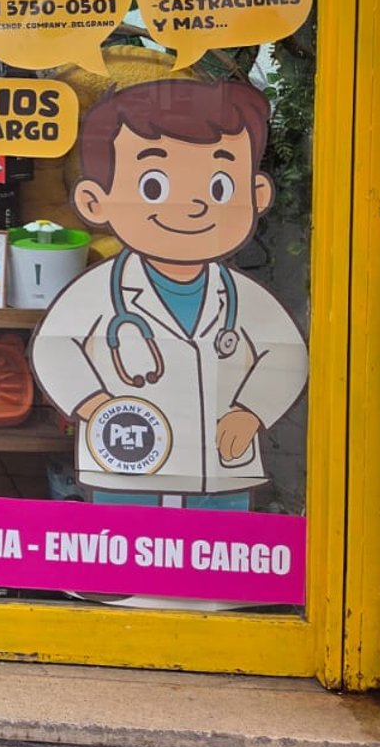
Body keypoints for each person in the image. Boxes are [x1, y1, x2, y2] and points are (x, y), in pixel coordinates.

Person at [29, 78, 308, 507]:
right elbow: (54, 348)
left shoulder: (243, 298)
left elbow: (286, 355)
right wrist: (95, 402)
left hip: (220, 468)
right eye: (154, 187)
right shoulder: (100, 293)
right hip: (125, 460)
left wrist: (253, 411)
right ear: (95, 202)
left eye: (219, 188)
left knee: (218, 560)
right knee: (124, 556)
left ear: (256, 196)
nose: (194, 206)